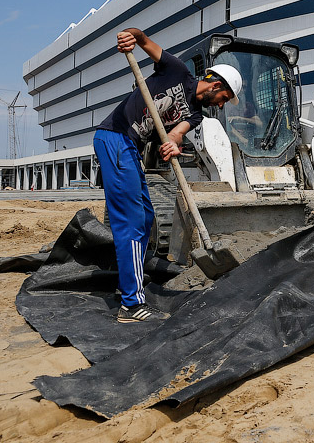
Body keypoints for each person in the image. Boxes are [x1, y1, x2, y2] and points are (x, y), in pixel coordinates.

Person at [93, 28, 242, 323]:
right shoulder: (178, 71)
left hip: (130, 147)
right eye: (224, 97)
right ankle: (131, 306)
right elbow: (144, 40)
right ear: (215, 83)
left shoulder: (197, 114)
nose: (222, 104)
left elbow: (176, 133)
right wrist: (130, 36)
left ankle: (129, 284)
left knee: (146, 218)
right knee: (132, 221)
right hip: (115, 136)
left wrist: (172, 144)